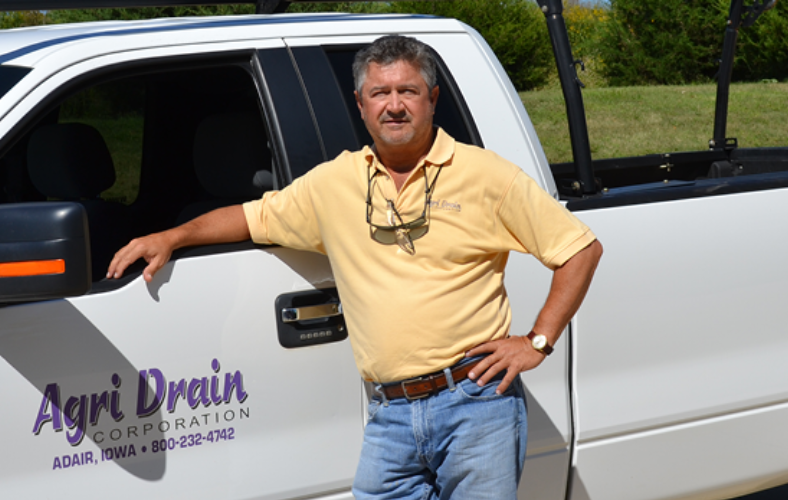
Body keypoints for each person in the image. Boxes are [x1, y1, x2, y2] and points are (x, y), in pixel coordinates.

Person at [107, 35, 602, 500]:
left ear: (432, 98)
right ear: (360, 104)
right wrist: (171, 236)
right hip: (388, 414)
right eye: (379, 92)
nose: (394, 104)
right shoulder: (334, 183)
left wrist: (537, 341)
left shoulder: (487, 175)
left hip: (475, 402)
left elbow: (579, 249)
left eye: (407, 90)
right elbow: (250, 217)